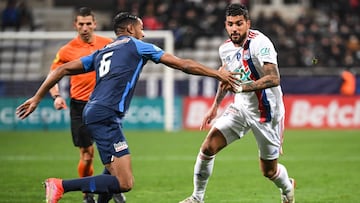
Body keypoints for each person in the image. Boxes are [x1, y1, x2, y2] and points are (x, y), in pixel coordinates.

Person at [16, 12, 238, 203]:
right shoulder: (137, 45)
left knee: (112, 169)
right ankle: (61, 185)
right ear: (131, 28)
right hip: (105, 115)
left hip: (94, 112)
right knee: (125, 183)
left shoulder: (102, 51)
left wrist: (37, 98)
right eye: (141, 28)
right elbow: (183, 64)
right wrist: (217, 73)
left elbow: (60, 70)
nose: (144, 32)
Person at [179, 4, 295, 203]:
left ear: (247, 24)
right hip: (241, 108)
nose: (235, 29)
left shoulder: (261, 43)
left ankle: (287, 187)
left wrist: (242, 88)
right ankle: (197, 198)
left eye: (239, 24)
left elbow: (274, 78)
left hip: (266, 113)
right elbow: (226, 79)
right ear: (225, 25)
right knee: (208, 147)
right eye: (231, 24)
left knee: (269, 171)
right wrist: (215, 107)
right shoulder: (224, 49)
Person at [47, 7, 125, 203]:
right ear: (75, 25)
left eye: (88, 23)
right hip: (80, 106)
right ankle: (87, 193)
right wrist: (56, 95)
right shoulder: (66, 50)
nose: (85, 28)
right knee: (87, 154)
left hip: (104, 105)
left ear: (95, 24)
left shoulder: (107, 44)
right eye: (81, 24)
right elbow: (53, 75)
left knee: (114, 152)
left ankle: (114, 186)